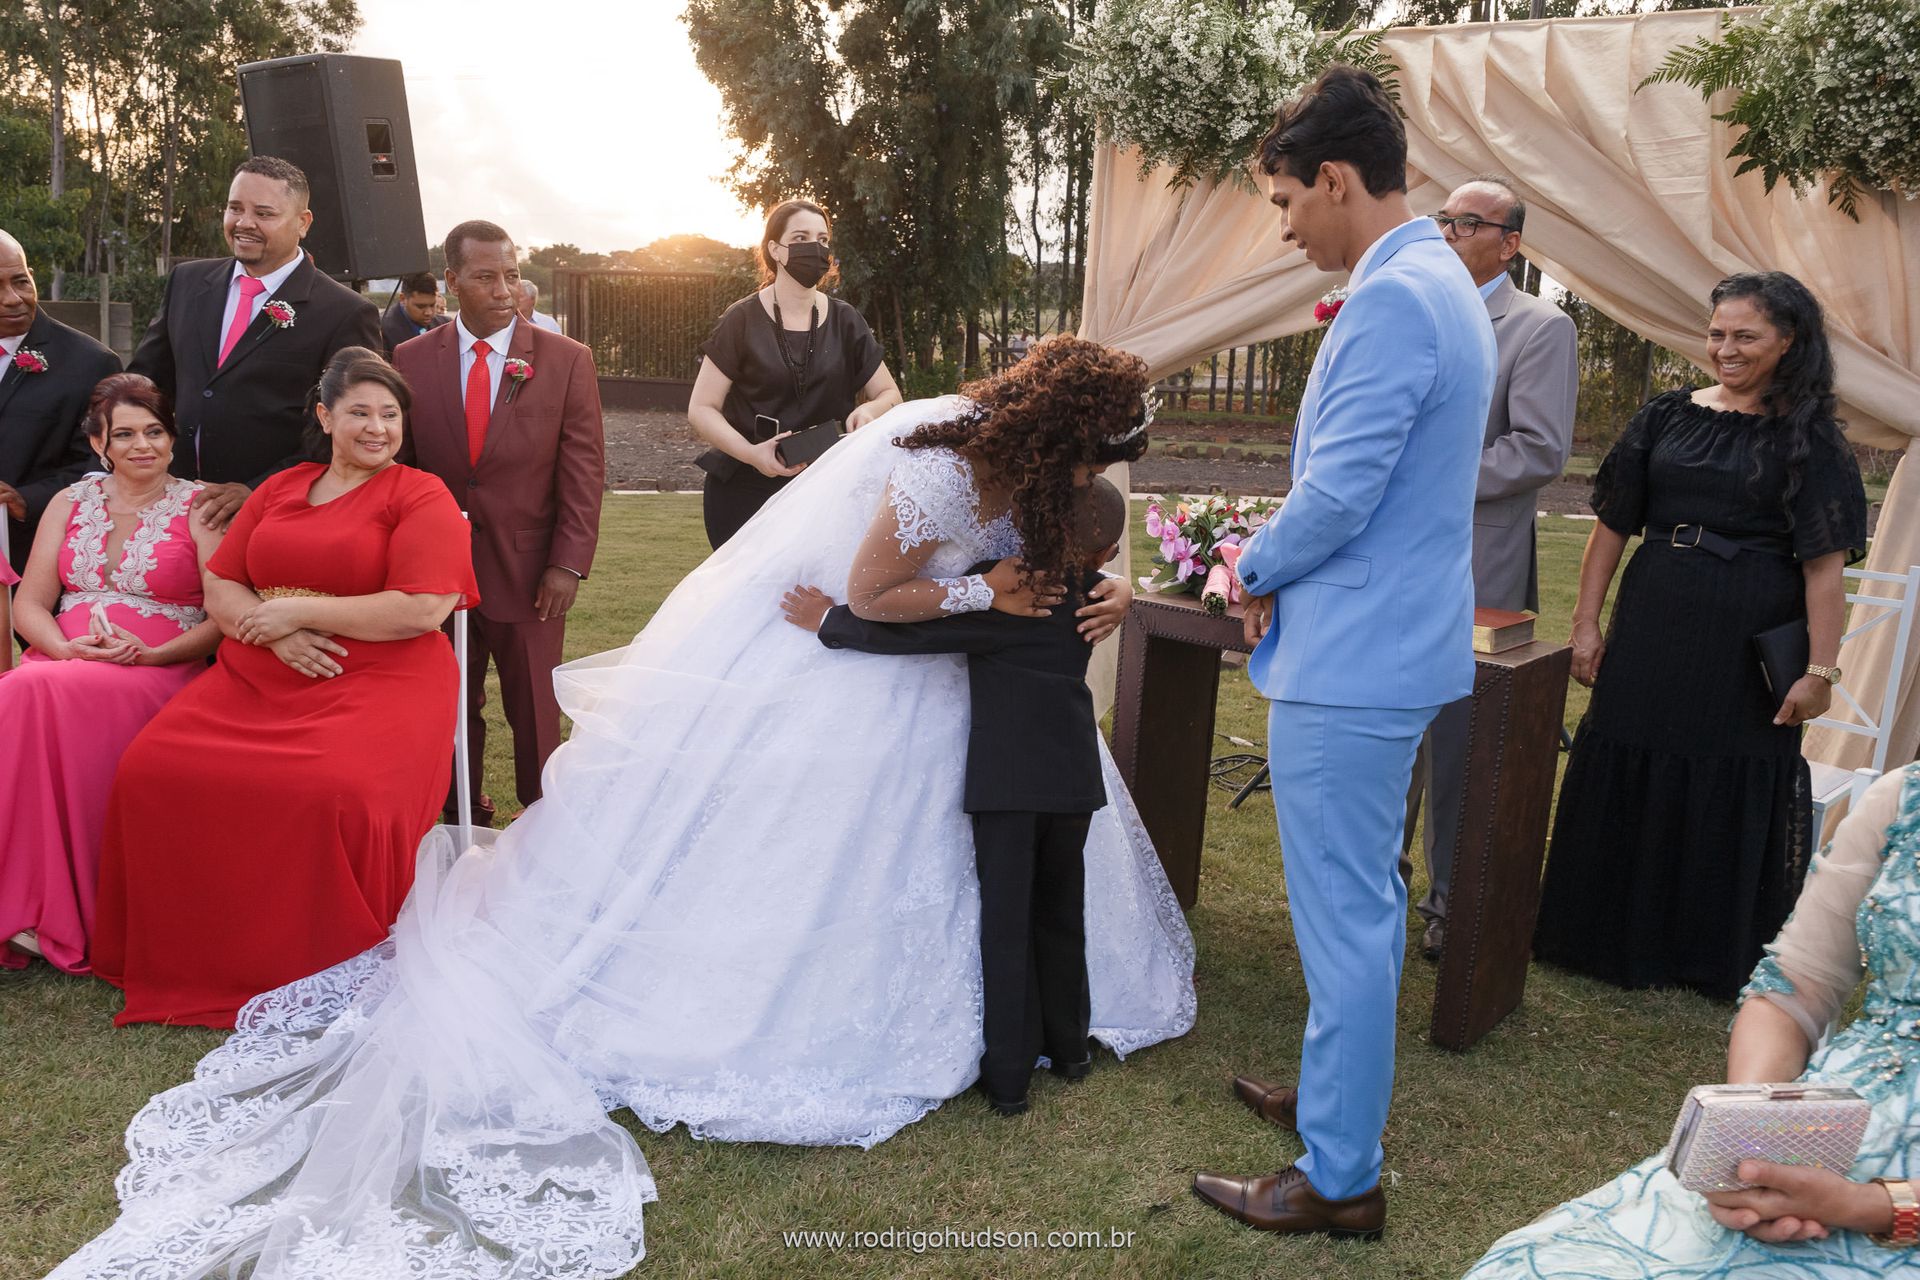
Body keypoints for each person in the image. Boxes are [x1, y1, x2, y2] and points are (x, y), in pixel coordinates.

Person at [49, 338, 1193, 1280]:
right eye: (1101, 449)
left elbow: (1092, 531)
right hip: (867, 660)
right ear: (1055, 426)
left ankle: (1037, 1023)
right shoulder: (935, 457)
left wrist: (1120, 582)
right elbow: (869, 592)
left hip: (980, 697)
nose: (1103, 468)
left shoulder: (1053, 472)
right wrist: (977, 587)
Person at [1192, 65, 1496, 1241]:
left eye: (1283, 201)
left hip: (1354, 657)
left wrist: (1245, 568)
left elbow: (1338, 493)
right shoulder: (1439, 277)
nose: (1284, 226)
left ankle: (1340, 1174)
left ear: (1332, 177)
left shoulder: (1395, 295)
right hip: (1394, 644)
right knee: (1360, 900)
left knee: (1348, 914)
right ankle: (1335, 1109)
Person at [90, 347, 478, 1028]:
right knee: (153, 768)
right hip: (258, 673)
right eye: (359, 412)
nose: (377, 428)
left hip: (382, 678)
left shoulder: (419, 494)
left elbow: (422, 608)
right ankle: (194, 955)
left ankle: (323, 967)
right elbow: (223, 580)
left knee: (331, 791)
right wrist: (267, 631)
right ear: (326, 417)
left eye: (390, 414)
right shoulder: (280, 488)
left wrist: (299, 612)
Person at [1533, 271, 1868, 1002]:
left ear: (1788, 341)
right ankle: (1602, 934)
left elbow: (1823, 570)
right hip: (1654, 618)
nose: (1725, 348)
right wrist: (1586, 623)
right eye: (1717, 333)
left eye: (1745, 336)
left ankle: (1700, 951)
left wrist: (1820, 671)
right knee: (1629, 745)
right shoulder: (1666, 416)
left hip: (1746, 641)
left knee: (1727, 769)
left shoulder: (1812, 440)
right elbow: (1613, 526)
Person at [1469, 761, 1920, 1275]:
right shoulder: (1903, 798)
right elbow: (1798, 981)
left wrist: (1869, 1207)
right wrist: (1753, 1143)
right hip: (1837, 1129)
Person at [781, 475, 1131, 1116]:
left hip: (1006, 786)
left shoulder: (1009, 596)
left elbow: (909, 635)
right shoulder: (1096, 601)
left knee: (1006, 925)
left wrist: (827, 620)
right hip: (1073, 780)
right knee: (1061, 913)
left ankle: (1008, 1079)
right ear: (1106, 555)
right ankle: (1071, 1048)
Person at [1401, 176, 1578, 960]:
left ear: (1509, 242)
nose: (1446, 232)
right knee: (1388, 721)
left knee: (1458, 736)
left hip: (1478, 563)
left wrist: (1421, 474)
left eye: (1466, 223)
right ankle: (1379, 878)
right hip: (1394, 560)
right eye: (1442, 218)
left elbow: (1538, 449)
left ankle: (1449, 902)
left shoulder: (1539, 327)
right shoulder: (1416, 312)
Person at [0, 374, 219, 973]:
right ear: (99, 443)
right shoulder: (70, 502)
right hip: (61, 665)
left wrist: (154, 655)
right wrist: (64, 653)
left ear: (174, 439)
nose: (142, 444)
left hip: (155, 672)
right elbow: (29, 604)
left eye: (155, 430)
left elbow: (222, 619)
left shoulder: (201, 505)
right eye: (124, 433)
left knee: (21, 691)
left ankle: (39, 908)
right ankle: (26, 908)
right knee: (25, 689)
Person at [393, 220, 604, 820]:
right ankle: (460, 817)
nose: (503, 289)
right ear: (453, 281)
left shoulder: (566, 361)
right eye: (486, 277)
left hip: (532, 571)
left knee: (536, 708)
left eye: (511, 275)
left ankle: (544, 826)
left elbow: (584, 469)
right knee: (449, 708)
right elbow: (402, 467)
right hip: (438, 577)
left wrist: (567, 563)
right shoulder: (409, 358)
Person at [129, 155, 382, 531]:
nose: (244, 224)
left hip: (274, 518)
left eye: (264, 213)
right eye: (235, 208)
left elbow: (348, 430)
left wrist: (257, 491)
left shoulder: (345, 313)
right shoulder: (186, 282)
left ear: (303, 222)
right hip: (168, 505)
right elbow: (146, 385)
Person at [688, 198, 903, 548]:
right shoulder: (740, 320)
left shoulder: (846, 320)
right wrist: (751, 454)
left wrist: (868, 410)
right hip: (745, 489)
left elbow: (889, 395)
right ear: (775, 249)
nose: (814, 249)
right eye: (801, 238)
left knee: (813, 600)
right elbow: (701, 408)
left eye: (822, 240)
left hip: (826, 489)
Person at [0, 228, 123, 573]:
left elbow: (105, 463)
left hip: (31, 559)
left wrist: (27, 500)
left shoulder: (91, 363)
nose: (12, 298)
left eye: (21, 281)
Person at [380, 270, 446, 355]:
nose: (428, 312)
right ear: (403, 298)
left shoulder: (444, 325)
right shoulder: (382, 330)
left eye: (432, 305)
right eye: (420, 306)